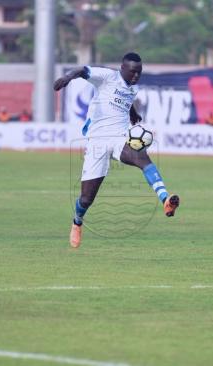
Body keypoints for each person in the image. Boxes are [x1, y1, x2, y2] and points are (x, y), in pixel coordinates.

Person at [53, 52, 180, 248]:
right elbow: (81, 70)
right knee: (87, 198)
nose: (136, 76)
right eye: (132, 72)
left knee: (142, 158)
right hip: (97, 141)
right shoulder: (107, 77)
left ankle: (165, 199)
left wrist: (133, 113)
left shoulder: (132, 88)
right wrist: (67, 78)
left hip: (120, 138)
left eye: (139, 72)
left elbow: (124, 102)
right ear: (122, 68)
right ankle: (77, 222)